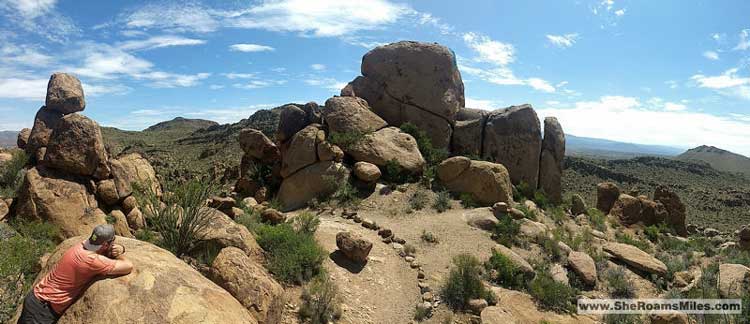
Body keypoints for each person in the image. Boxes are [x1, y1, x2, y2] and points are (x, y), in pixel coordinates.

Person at [17, 224, 134, 324]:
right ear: (105, 245)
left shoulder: (79, 246)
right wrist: (119, 253)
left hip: (35, 299)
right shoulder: (92, 260)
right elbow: (128, 266)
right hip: (42, 310)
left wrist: (114, 248)